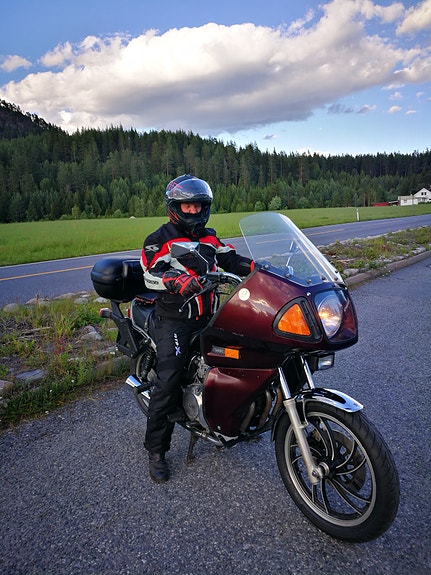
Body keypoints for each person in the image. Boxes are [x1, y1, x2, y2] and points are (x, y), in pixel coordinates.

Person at [140, 174, 253, 483]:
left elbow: (232, 259)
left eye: (198, 206)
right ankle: (156, 451)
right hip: (174, 320)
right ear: (174, 207)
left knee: (237, 358)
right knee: (169, 381)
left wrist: (261, 268)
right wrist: (176, 280)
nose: (193, 211)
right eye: (187, 206)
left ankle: (232, 421)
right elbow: (150, 273)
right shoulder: (159, 239)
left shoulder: (210, 238)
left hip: (208, 317)